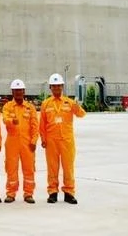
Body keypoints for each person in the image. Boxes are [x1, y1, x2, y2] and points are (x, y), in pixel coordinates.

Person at [40, 72, 86, 205]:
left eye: (58, 86)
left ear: (62, 87)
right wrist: (43, 138)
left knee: (68, 167)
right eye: (54, 87)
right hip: (51, 141)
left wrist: (77, 106)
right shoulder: (46, 104)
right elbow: (42, 124)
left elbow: (81, 114)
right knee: (52, 167)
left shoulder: (69, 102)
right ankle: (52, 192)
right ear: (50, 88)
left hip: (67, 140)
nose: (56, 89)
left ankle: (69, 193)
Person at [2, 79, 39, 203]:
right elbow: (5, 118)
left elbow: (35, 126)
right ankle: (11, 193)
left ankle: (28, 193)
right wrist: (12, 122)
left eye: (20, 90)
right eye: (16, 90)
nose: (18, 92)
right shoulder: (7, 106)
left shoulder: (30, 108)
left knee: (29, 168)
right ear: (12, 92)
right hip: (12, 142)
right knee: (11, 168)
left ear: (24, 92)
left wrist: (34, 141)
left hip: (27, 143)